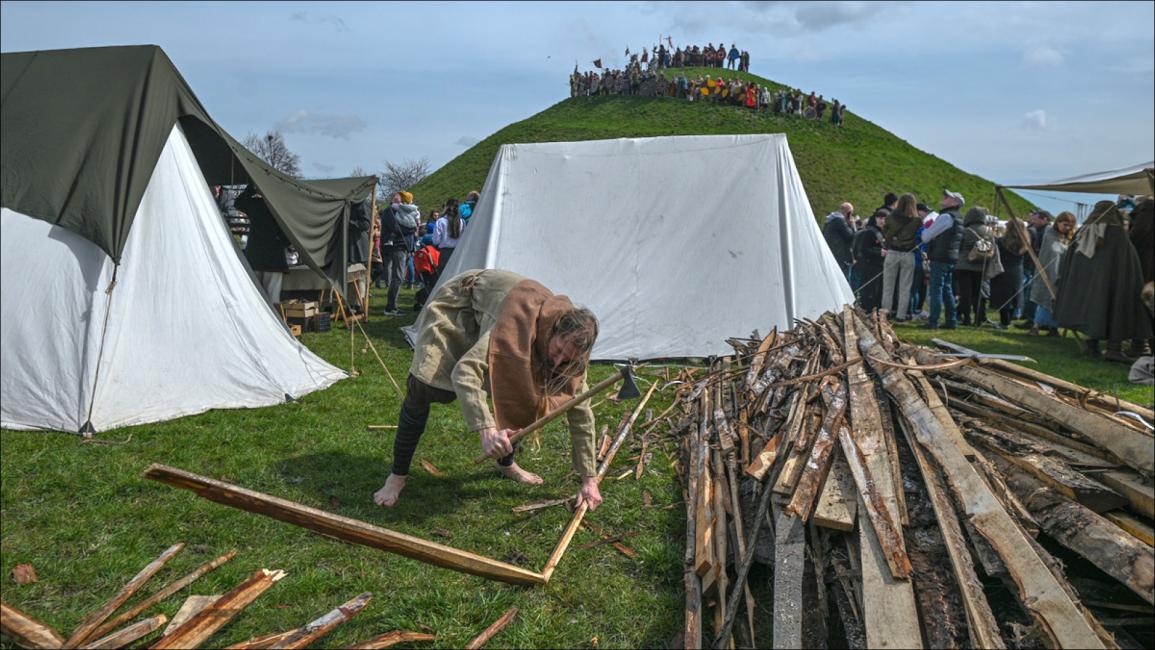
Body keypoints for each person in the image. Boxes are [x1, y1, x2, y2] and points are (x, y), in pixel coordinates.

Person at [373, 269, 603, 510]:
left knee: (521, 392)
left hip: (501, 317)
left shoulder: (573, 354)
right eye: (557, 352)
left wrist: (589, 479)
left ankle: (506, 463)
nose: (557, 363)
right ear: (553, 330)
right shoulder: (517, 323)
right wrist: (486, 429)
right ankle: (397, 476)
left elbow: (581, 411)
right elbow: (466, 372)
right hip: (462, 305)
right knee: (424, 386)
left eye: (565, 359)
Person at [1054, 201, 1153, 362]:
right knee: (1115, 309)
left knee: (1093, 310)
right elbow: (1129, 261)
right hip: (1115, 285)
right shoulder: (1117, 234)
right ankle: (1114, 348)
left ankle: (1092, 345)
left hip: (1086, 286)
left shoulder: (1082, 232)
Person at [921, 190, 966, 329]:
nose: (944, 198)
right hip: (951, 257)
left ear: (954, 202)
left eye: (947, 197)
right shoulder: (958, 217)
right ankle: (951, 320)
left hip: (941, 257)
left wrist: (929, 235)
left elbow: (926, 236)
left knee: (936, 289)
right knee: (947, 289)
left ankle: (933, 321)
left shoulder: (946, 217)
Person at [1028, 211, 1075, 336]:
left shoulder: (1068, 237)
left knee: (1056, 302)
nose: (1068, 228)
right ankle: (1036, 326)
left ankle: (1053, 327)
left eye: (1070, 225)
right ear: (1058, 222)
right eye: (1065, 224)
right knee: (1045, 300)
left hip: (1061, 274)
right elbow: (1054, 251)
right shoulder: (1050, 234)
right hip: (1048, 273)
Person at [954, 206, 998, 327]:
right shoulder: (988, 231)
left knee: (965, 294)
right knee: (977, 294)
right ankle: (978, 319)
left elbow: (959, 246)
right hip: (980, 266)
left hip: (963, 265)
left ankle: (966, 318)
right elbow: (992, 248)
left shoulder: (965, 230)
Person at [880, 194, 921, 321]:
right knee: (905, 287)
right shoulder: (917, 221)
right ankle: (901, 315)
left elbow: (885, 234)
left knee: (888, 286)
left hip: (892, 252)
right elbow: (919, 238)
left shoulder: (890, 217)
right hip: (909, 254)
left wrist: (888, 243)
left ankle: (885, 314)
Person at [379, 191, 419, 315]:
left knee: (399, 277)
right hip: (397, 247)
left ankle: (392, 306)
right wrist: (412, 228)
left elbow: (412, 229)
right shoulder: (389, 211)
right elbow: (396, 228)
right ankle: (390, 307)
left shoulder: (403, 212)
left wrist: (412, 248)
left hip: (405, 246)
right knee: (398, 277)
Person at [1014, 210, 1053, 329]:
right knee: (1032, 293)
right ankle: (1031, 319)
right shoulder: (1039, 230)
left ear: (1045, 219)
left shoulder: (1048, 231)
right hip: (1036, 265)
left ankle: (1034, 320)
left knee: (1035, 294)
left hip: (1042, 266)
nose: (1033, 221)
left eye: (1036, 219)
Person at [990, 219, 1029, 328]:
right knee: (1013, 297)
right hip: (1017, 270)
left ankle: (1004, 322)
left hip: (1004, 269)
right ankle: (1007, 321)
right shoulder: (1025, 242)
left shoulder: (1003, 241)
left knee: (1003, 297)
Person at [853, 210, 887, 311]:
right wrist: (878, 252)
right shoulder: (870, 232)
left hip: (881, 265)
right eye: (880, 218)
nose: (882, 220)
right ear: (875, 218)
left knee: (879, 290)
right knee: (869, 289)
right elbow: (864, 249)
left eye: (884, 218)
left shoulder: (886, 232)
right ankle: (867, 309)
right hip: (870, 264)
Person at [823, 202, 856, 280]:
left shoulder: (829, 220)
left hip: (831, 253)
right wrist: (852, 225)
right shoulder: (840, 221)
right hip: (840, 256)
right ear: (849, 213)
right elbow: (851, 236)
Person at [433, 199, 464, 280]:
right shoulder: (462, 222)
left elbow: (436, 240)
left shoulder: (440, 221)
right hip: (458, 252)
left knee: (443, 278)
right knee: (457, 277)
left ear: (447, 207)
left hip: (445, 253)